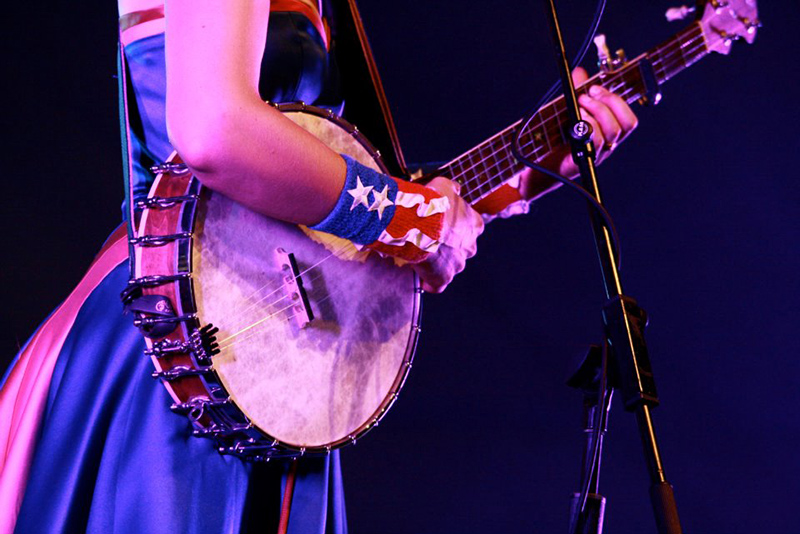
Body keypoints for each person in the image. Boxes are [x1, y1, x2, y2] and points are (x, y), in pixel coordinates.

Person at [0, 1, 638, 532]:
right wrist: (414, 219)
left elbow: (343, 209)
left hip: (266, 364)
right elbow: (213, 131)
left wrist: (521, 171)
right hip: (176, 352)